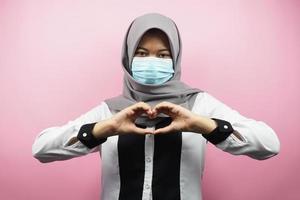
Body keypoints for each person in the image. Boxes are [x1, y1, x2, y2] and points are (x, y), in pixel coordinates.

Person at [32, 13, 280, 200]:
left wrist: (202, 125)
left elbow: (269, 144)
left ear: (175, 58)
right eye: (141, 53)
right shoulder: (109, 111)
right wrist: (104, 129)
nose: (151, 62)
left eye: (162, 55)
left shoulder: (199, 104)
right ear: (128, 59)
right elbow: (41, 148)